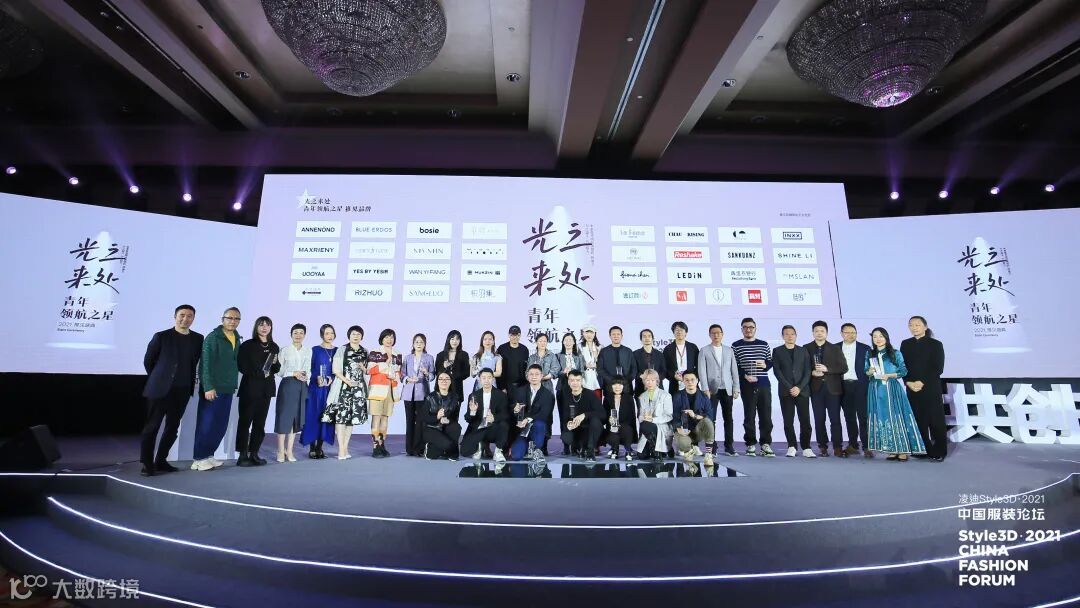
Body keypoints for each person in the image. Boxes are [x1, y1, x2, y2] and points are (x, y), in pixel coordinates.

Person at [140, 304, 203, 476]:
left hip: (182, 390)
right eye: (182, 315)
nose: (185, 319)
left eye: (189, 316)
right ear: (175, 316)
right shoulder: (161, 336)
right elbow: (148, 361)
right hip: (159, 390)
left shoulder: (198, 339)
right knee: (152, 427)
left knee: (172, 427)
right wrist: (160, 378)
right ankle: (146, 463)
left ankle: (161, 460)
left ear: (193, 318)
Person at [191, 307, 242, 471]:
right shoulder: (213, 338)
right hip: (213, 389)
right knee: (206, 424)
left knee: (219, 425)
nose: (233, 321)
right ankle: (199, 458)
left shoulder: (236, 337)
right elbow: (205, 364)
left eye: (236, 319)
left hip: (228, 387)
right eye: (230, 318)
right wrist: (208, 387)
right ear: (222, 319)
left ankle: (208, 455)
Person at [865, 327, 926, 460]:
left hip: (891, 388)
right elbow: (866, 371)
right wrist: (870, 371)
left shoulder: (895, 353)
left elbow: (903, 371)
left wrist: (889, 375)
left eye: (881, 336)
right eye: (875, 336)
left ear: (886, 337)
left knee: (896, 416)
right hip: (875, 388)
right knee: (882, 417)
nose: (878, 339)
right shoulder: (870, 354)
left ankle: (902, 450)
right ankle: (892, 449)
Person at [901, 316, 947, 462]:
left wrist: (922, 382)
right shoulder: (905, 344)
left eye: (917, 325)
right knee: (917, 420)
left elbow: (938, 368)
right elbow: (902, 366)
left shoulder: (936, 344)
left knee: (935, 421)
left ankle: (939, 451)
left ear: (925, 327)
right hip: (912, 388)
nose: (914, 328)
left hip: (930, 388)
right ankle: (922, 450)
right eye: (911, 325)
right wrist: (908, 382)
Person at [323, 325, 368, 460]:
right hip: (343, 387)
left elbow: (367, 371)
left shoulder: (364, 351)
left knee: (351, 419)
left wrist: (363, 368)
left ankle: (345, 447)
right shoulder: (342, 349)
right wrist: (347, 381)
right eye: (353, 334)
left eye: (358, 334)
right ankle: (341, 449)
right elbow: (336, 370)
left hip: (358, 389)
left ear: (362, 336)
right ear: (349, 336)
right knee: (341, 418)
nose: (356, 336)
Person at [805, 321, 849, 457]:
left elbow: (844, 367)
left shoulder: (835, 348)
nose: (819, 333)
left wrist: (827, 369)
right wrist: (812, 372)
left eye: (822, 331)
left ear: (827, 333)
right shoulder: (806, 348)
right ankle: (822, 446)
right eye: (816, 331)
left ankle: (837, 447)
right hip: (815, 389)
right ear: (813, 332)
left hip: (833, 389)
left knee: (835, 419)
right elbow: (802, 368)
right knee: (819, 419)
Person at [732, 317, 774, 457]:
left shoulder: (764, 344)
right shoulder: (736, 345)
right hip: (747, 385)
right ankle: (750, 444)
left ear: (755, 329)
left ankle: (765, 444)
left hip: (763, 384)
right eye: (745, 327)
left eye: (751, 327)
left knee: (766, 416)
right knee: (749, 416)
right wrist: (744, 375)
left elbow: (769, 361)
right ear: (741, 329)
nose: (748, 329)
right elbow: (734, 366)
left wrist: (766, 365)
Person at [697, 324, 739, 457]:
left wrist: (736, 387)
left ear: (722, 334)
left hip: (727, 389)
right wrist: (705, 388)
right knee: (711, 420)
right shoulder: (704, 350)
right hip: (711, 390)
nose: (716, 335)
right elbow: (702, 371)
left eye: (718, 333)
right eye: (713, 333)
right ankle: (712, 447)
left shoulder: (729, 350)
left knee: (728, 419)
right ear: (710, 335)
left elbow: (734, 370)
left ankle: (729, 447)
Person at [773, 325, 813, 458]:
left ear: (796, 335)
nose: (790, 336)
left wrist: (799, 387)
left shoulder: (803, 350)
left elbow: (808, 371)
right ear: (782, 336)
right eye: (786, 334)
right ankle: (792, 446)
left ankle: (806, 447)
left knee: (805, 420)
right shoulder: (777, 351)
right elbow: (777, 371)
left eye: (792, 334)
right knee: (788, 420)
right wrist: (790, 387)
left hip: (802, 391)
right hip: (786, 391)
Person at [275, 323, 310, 463]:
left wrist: (306, 375)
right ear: (291, 334)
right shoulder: (285, 350)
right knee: (284, 417)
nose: (298, 335)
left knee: (296, 418)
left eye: (301, 333)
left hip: (302, 385)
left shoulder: (308, 350)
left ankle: (289, 450)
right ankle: (280, 450)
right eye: (295, 332)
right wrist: (293, 373)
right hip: (288, 384)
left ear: (304, 335)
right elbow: (278, 371)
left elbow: (308, 368)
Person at [301, 324, 337, 459]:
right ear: (322, 335)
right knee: (313, 415)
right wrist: (316, 378)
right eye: (327, 333)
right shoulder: (315, 350)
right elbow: (308, 368)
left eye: (331, 333)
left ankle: (319, 447)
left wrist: (331, 379)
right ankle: (312, 447)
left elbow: (339, 370)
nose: (330, 336)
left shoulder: (337, 351)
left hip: (330, 389)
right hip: (316, 388)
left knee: (326, 416)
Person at [460, 368, 509, 462]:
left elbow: (505, 414)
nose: (486, 380)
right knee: (464, 452)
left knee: (504, 425)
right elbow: (468, 419)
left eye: (489, 377)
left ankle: (498, 451)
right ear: (480, 379)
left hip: (493, 427)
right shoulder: (473, 395)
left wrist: (494, 418)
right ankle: (480, 445)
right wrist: (473, 412)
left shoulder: (501, 395)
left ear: (493, 379)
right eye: (484, 378)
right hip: (479, 427)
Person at [838, 323, 872, 458]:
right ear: (841, 334)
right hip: (843, 386)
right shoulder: (835, 348)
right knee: (849, 417)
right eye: (847, 332)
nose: (850, 335)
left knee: (863, 417)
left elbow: (871, 367)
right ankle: (853, 445)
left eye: (853, 332)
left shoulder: (865, 348)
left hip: (861, 385)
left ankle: (867, 446)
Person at [509, 364, 554, 462]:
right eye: (531, 374)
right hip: (522, 429)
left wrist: (527, 419)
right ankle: (527, 447)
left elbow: (544, 414)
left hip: (537, 429)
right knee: (516, 456)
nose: (534, 377)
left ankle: (537, 449)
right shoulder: (519, 391)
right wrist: (515, 411)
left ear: (541, 376)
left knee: (539, 424)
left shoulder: (548, 394)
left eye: (537, 374)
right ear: (527, 376)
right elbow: (512, 411)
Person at [367, 329, 401, 458]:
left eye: (391, 337)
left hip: (391, 390)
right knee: (376, 417)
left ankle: (382, 445)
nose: (389, 340)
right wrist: (385, 365)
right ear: (382, 338)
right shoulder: (375, 352)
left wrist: (396, 375)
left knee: (385, 418)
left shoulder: (397, 354)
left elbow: (399, 372)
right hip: (377, 389)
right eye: (386, 337)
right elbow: (369, 370)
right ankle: (375, 446)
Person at [672, 370, 715, 466]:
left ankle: (708, 455)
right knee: (683, 443)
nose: (690, 382)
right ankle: (689, 451)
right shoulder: (677, 396)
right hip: (684, 431)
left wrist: (695, 415)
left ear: (697, 381)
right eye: (686, 380)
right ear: (683, 381)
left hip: (698, 431)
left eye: (692, 380)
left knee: (708, 422)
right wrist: (678, 428)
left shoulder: (704, 396)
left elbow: (710, 416)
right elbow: (674, 416)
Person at [401, 333, 434, 457]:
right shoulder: (407, 358)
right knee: (409, 420)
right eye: (417, 342)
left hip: (422, 392)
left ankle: (419, 449)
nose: (419, 344)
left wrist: (426, 373)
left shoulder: (429, 358)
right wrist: (408, 379)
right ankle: (409, 449)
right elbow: (402, 374)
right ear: (413, 344)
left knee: (420, 422)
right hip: (408, 392)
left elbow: (432, 376)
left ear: (425, 344)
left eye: (421, 342)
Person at [560, 370, 605, 461]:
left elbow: (602, 414)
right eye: (572, 380)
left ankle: (590, 450)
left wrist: (584, 415)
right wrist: (568, 424)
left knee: (595, 421)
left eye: (578, 380)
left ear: (582, 381)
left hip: (590, 428)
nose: (575, 383)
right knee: (566, 437)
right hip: (576, 429)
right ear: (568, 382)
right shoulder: (565, 395)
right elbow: (564, 416)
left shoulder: (590, 394)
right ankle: (580, 446)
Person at [527, 333, 560, 453]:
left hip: (547, 388)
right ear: (536, 342)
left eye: (544, 341)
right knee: (534, 414)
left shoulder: (551, 355)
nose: (542, 343)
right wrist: (534, 378)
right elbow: (527, 372)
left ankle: (545, 444)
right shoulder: (532, 357)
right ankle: (533, 443)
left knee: (547, 416)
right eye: (540, 341)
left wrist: (543, 377)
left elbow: (556, 370)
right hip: (533, 389)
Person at [554, 332, 585, 454]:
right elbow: (556, 373)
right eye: (566, 340)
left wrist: (574, 374)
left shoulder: (579, 357)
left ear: (574, 342)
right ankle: (566, 445)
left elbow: (582, 372)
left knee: (576, 415)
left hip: (576, 390)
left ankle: (576, 445)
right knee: (564, 416)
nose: (568, 342)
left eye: (570, 340)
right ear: (563, 342)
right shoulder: (558, 356)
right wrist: (563, 372)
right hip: (562, 389)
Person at [633, 370, 673, 460]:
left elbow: (669, 416)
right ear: (644, 382)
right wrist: (643, 417)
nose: (650, 383)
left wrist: (653, 420)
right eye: (647, 380)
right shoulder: (642, 396)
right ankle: (656, 448)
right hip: (648, 429)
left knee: (646, 425)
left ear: (657, 381)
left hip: (661, 426)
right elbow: (640, 416)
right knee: (642, 456)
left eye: (652, 380)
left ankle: (657, 452)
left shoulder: (666, 395)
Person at [423, 371, 462, 460]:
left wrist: (448, 420)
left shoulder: (455, 397)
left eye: (447, 379)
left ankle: (449, 451)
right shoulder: (430, 397)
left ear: (450, 381)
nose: (444, 381)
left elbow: (455, 417)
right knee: (446, 447)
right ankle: (432, 448)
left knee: (456, 428)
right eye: (441, 379)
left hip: (447, 427)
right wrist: (437, 417)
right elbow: (424, 417)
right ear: (437, 382)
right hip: (432, 428)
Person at [602, 375, 636, 460]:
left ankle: (628, 450)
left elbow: (632, 418)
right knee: (613, 430)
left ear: (624, 386)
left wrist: (620, 425)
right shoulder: (607, 398)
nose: (617, 387)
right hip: (612, 427)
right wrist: (608, 419)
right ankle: (615, 449)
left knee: (626, 429)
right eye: (615, 384)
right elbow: (603, 416)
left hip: (625, 426)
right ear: (611, 386)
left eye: (620, 385)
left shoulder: (629, 398)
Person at [663, 321, 699, 397]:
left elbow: (699, 365)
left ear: (686, 333)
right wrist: (673, 376)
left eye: (681, 330)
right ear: (673, 332)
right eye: (677, 330)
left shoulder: (693, 347)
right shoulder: (668, 349)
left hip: (691, 383)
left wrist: (694, 377)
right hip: (674, 384)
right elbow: (664, 368)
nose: (679, 332)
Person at [598, 326, 637, 395]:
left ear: (622, 336)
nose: (616, 336)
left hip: (626, 386)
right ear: (610, 336)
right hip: (609, 386)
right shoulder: (604, 351)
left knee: (627, 402)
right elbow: (600, 369)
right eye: (613, 334)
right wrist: (612, 380)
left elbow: (634, 368)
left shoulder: (628, 351)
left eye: (618, 334)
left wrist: (627, 380)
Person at [435, 330, 470, 405]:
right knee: (440, 412)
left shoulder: (464, 355)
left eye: (457, 339)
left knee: (455, 412)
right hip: (442, 390)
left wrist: (454, 376)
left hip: (457, 389)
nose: (455, 341)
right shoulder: (440, 355)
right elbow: (437, 372)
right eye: (452, 339)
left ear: (460, 341)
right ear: (448, 340)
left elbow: (467, 373)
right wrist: (444, 367)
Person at [632, 329, 667, 397]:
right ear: (641, 339)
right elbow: (633, 370)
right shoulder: (635, 354)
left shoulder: (659, 354)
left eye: (649, 336)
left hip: (657, 388)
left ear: (652, 338)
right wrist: (642, 376)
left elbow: (664, 371)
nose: (647, 338)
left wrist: (655, 379)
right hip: (640, 388)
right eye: (644, 336)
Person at [496, 325, 529, 396]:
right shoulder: (502, 349)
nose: (515, 337)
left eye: (517, 335)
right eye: (512, 335)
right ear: (509, 335)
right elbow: (498, 369)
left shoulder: (524, 349)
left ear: (520, 335)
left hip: (521, 387)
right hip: (505, 387)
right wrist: (502, 387)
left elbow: (526, 369)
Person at [579, 324, 602, 396]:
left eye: (591, 332)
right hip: (584, 377)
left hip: (596, 378)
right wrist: (585, 365)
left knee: (597, 399)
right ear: (583, 333)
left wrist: (597, 364)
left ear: (595, 334)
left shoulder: (600, 347)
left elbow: (604, 363)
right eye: (586, 332)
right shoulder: (578, 347)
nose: (589, 335)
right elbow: (576, 363)